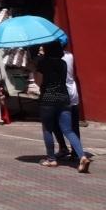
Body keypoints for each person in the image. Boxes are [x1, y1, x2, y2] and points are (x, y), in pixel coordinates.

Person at [34, 41, 92, 173]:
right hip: (64, 98)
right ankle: (82, 156)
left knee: (47, 129)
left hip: (48, 99)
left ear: (47, 49)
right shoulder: (63, 63)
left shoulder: (43, 63)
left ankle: (51, 159)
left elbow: (39, 82)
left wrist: (35, 68)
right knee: (68, 130)